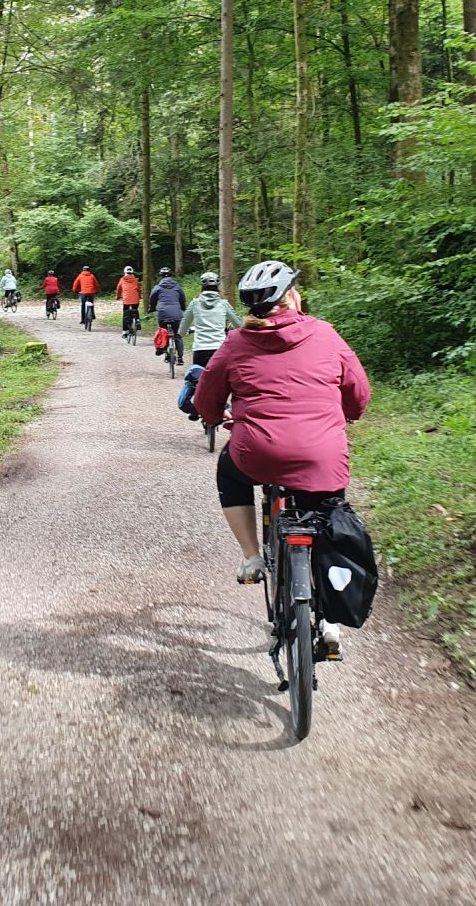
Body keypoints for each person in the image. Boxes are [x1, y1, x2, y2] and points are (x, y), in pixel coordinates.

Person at [193, 259, 370, 657]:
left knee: (230, 473)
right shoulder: (325, 334)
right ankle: (329, 620)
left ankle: (253, 557)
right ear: (292, 295)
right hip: (320, 457)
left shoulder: (236, 342)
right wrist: (348, 413)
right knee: (325, 517)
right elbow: (358, 394)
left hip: (257, 452)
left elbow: (207, 397)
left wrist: (211, 417)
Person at [182, 272, 241, 367]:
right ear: (218, 285)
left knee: (196, 379)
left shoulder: (195, 303)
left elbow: (184, 325)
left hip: (200, 349)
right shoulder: (224, 304)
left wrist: (182, 333)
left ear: (202, 286)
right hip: (219, 349)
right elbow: (239, 325)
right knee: (223, 379)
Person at [148, 267, 187, 361]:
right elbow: (182, 299)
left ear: (160, 276)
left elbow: (152, 299)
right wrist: (183, 308)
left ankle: (163, 350)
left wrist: (151, 308)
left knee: (162, 331)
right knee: (177, 335)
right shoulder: (177, 287)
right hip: (176, 313)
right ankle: (180, 357)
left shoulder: (158, 287)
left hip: (162, 313)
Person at [115, 266, 142, 337]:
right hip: (135, 299)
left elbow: (118, 289)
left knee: (125, 316)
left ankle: (125, 331)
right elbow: (138, 290)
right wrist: (139, 296)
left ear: (125, 272)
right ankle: (137, 320)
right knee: (135, 309)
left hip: (126, 300)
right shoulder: (136, 280)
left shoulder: (122, 280)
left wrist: (117, 297)